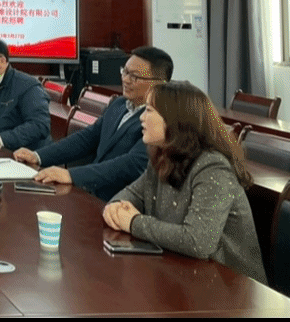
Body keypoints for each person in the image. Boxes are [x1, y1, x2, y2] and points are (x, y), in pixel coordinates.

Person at [103, 81, 267, 285]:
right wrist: (115, 210)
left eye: (150, 111)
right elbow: (126, 196)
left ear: (175, 120)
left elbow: (198, 242)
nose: (142, 118)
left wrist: (134, 223)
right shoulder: (162, 156)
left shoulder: (213, 168)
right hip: (186, 274)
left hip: (230, 287)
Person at [13, 46, 174, 200]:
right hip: (91, 193)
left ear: (159, 83)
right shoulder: (119, 104)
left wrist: (71, 175)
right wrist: (38, 156)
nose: (125, 79)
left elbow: (131, 165)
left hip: (122, 202)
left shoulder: (159, 121)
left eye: (135, 77)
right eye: (125, 71)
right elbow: (87, 138)